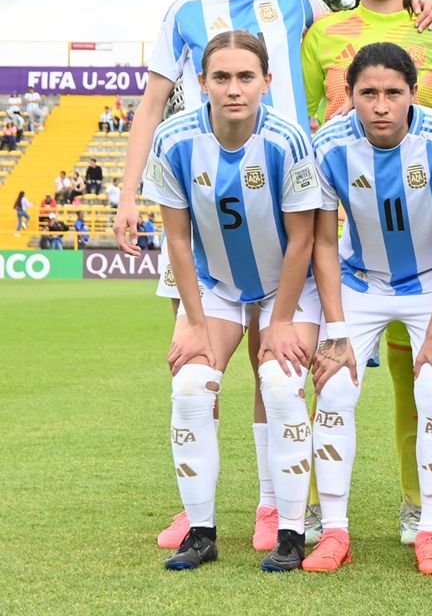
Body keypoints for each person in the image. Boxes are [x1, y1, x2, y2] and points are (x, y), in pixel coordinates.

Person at [117, 0, 432, 551]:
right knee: (196, 357)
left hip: (291, 193)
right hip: (211, 204)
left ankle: (273, 507)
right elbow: (152, 104)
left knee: (278, 363)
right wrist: (129, 193)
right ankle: (197, 508)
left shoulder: (297, 1)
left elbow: (363, 28)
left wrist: (418, 6)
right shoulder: (184, 12)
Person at [301, 0, 432, 546]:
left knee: (425, 385)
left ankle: (423, 516)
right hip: (359, 260)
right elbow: (319, 234)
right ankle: (324, 521)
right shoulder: (322, 37)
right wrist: (336, 328)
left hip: (428, 262)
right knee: (333, 381)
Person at [141, 31, 322, 572]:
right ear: (202, 83)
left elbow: (303, 240)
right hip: (215, 285)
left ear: (267, 81)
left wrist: (281, 320)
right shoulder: (174, 138)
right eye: (221, 77)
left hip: (287, 287)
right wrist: (193, 324)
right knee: (191, 386)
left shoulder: (288, 139)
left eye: (246, 77)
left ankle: (288, 530)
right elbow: (177, 239)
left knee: (281, 384)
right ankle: (201, 531)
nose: (234, 88)